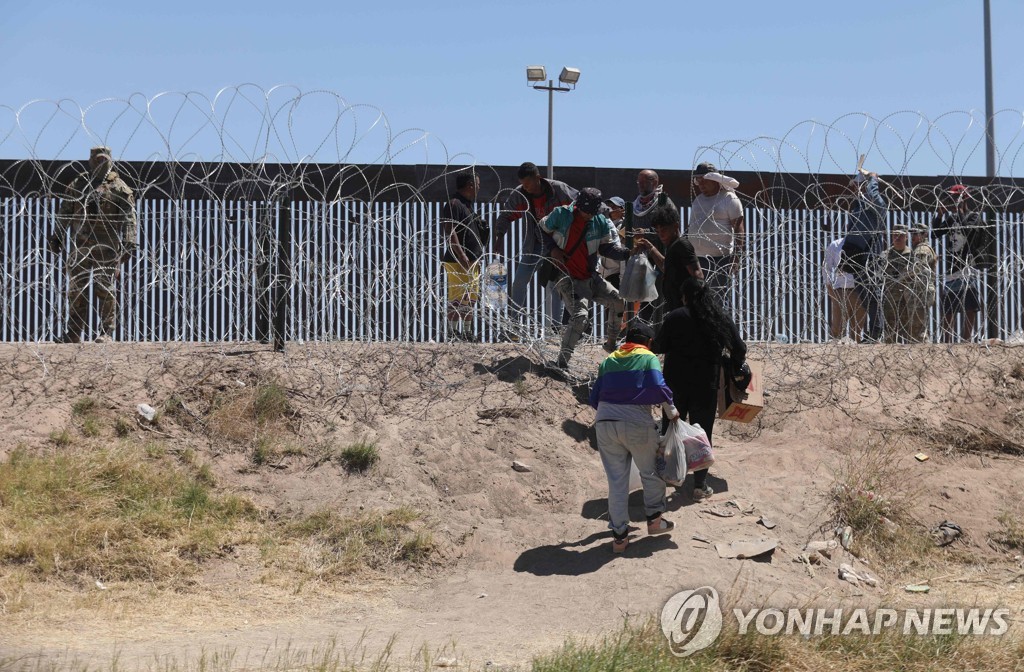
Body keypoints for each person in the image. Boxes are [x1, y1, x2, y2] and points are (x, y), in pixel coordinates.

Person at [652, 277, 747, 502]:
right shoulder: (718, 317)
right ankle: (699, 485)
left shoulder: (675, 317)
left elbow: (659, 345)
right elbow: (739, 348)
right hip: (705, 386)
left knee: (670, 432)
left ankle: (668, 478)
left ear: (685, 296)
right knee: (702, 434)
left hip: (674, 385)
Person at [589, 323, 679, 553]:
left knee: (617, 482)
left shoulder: (609, 361)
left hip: (605, 424)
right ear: (648, 343)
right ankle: (655, 521)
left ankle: (619, 538)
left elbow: (595, 397)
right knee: (651, 472)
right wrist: (671, 412)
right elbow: (659, 386)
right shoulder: (648, 357)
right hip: (637, 423)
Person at [48, 146, 137, 343]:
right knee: (76, 288)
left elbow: (129, 218)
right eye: (97, 160)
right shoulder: (78, 185)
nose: (100, 163)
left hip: (107, 247)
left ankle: (107, 332)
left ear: (110, 161)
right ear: (90, 161)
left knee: (104, 288)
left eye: (104, 160)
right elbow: (65, 212)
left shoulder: (119, 188)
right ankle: (73, 332)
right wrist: (58, 237)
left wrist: (129, 242)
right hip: (81, 245)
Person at [537, 187, 632, 369]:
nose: (588, 216)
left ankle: (611, 344)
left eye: (591, 213)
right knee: (580, 317)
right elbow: (540, 229)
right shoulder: (561, 214)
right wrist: (553, 249)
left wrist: (628, 253)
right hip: (565, 276)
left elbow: (606, 248)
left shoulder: (599, 221)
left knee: (618, 301)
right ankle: (561, 362)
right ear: (578, 206)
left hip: (589, 276)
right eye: (585, 212)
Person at [492, 162, 577, 321]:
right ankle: (514, 325)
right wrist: (499, 236)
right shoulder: (521, 195)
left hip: (561, 244)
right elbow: (506, 215)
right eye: (522, 184)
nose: (525, 187)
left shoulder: (559, 190)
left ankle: (557, 327)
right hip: (536, 243)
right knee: (519, 281)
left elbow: (580, 204)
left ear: (538, 178)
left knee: (557, 284)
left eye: (528, 183)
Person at [840, 169, 887, 341]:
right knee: (865, 297)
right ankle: (871, 332)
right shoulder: (857, 207)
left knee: (873, 295)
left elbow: (875, 198)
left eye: (857, 186)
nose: (854, 189)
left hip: (872, 256)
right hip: (857, 257)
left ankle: (875, 333)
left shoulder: (876, 206)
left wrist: (873, 179)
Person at [440, 173, 488, 340]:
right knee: (457, 297)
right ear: (470, 185)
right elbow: (450, 230)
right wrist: (461, 255)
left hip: (471, 260)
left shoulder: (467, 206)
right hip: (457, 261)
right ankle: (453, 332)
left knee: (470, 298)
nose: (479, 188)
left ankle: (467, 332)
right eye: (477, 184)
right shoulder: (454, 204)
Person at [688, 162, 745, 304]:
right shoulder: (698, 200)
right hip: (696, 259)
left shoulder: (729, 199)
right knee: (696, 300)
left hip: (719, 260)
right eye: (698, 180)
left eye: (704, 180)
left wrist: (737, 257)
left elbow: (739, 228)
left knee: (716, 301)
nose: (701, 184)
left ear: (715, 180)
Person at [932, 185, 983, 342]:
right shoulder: (951, 218)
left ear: (964, 199)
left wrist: (959, 211)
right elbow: (935, 234)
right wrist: (939, 215)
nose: (953, 201)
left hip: (967, 267)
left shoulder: (974, 217)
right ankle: (948, 340)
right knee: (949, 307)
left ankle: (966, 340)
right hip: (951, 269)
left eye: (956, 197)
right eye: (951, 198)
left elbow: (969, 231)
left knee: (970, 307)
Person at [633, 205, 702, 314]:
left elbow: (697, 275)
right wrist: (651, 248)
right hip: (675, 306)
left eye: (664, 230)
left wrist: (690, 300)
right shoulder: (672, 246)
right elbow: (666, 267)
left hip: (686, 308)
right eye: (658, 231)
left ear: (676, 226)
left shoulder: (682, 244)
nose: (661, 235)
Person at [631, 170, 678, 325]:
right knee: (644, 299)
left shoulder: (664, 203)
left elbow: (672, 230)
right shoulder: (636, 206)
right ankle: (646, 332)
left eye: (646, 181)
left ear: (655, 182)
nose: (641, 184)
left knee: (659, 298)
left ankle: (659, 332)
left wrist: (648, 234)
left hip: (658, 258)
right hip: (641, 260)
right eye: (639, 181)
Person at [823, 237, 864, 342]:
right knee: (837, 330)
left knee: (856, 331)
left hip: (859, 291)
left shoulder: (864, 242)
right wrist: (830, 289)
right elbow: (826, 267)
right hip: (841, 291)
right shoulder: (836, 245)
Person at [880, 227, 914, 343]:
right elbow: (879, 274)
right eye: (895, 235)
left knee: (909, 330)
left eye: (901, 235)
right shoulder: (886, 255)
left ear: (906, 237)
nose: (897, 238)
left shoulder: (912, 255)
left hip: (907, 298)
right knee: (889, 332)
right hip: (890, 298)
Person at [907, 225, 937, 342]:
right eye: (912, 234)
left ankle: (922, 351)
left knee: (918, 329)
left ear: (924, 234)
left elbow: (918, 268)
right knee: (918, 326)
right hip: (920, 291)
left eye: (916, 234)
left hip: (920, 291)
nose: (912, 237)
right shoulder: (922, 248)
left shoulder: (921, 250)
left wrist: (902, 277)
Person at [598, 196, 627, 290]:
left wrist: (622, 280)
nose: (610, 209)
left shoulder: (623, 227)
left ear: (622, 210)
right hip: (604, 273)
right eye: (608, 206)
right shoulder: (605, 224)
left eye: (613, 207)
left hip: (616, 275)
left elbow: (623, 257)